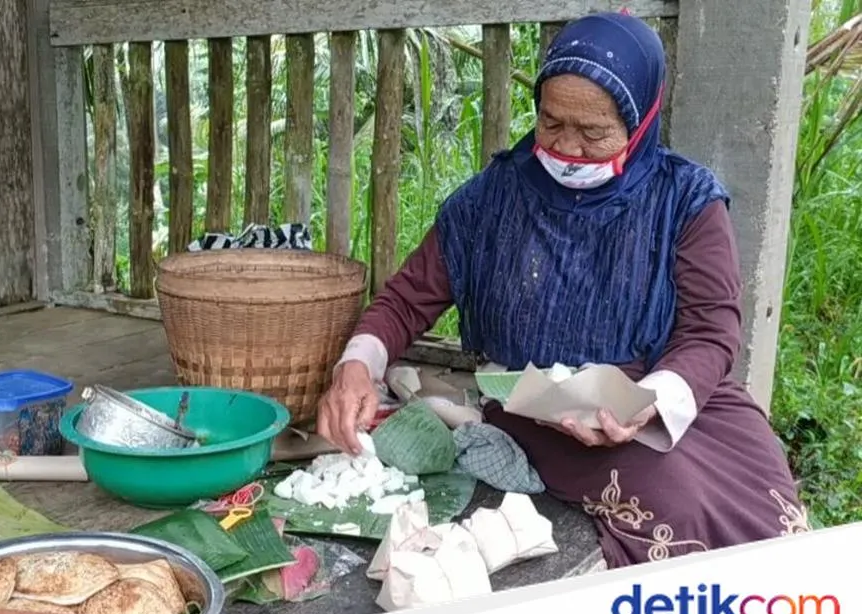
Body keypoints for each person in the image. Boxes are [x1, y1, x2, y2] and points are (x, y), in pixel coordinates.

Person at [315, 12, 810, 568]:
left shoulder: (686, 202)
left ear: (641, 121)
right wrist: (358, 364)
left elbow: (711, 330)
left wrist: (650, 402)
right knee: (681, 507)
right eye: (551, 123)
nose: (568, 147)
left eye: (593, 132)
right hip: (547, 412)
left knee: (767, 506)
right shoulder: (490, 202)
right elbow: (406, 300)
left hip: (673, 397)